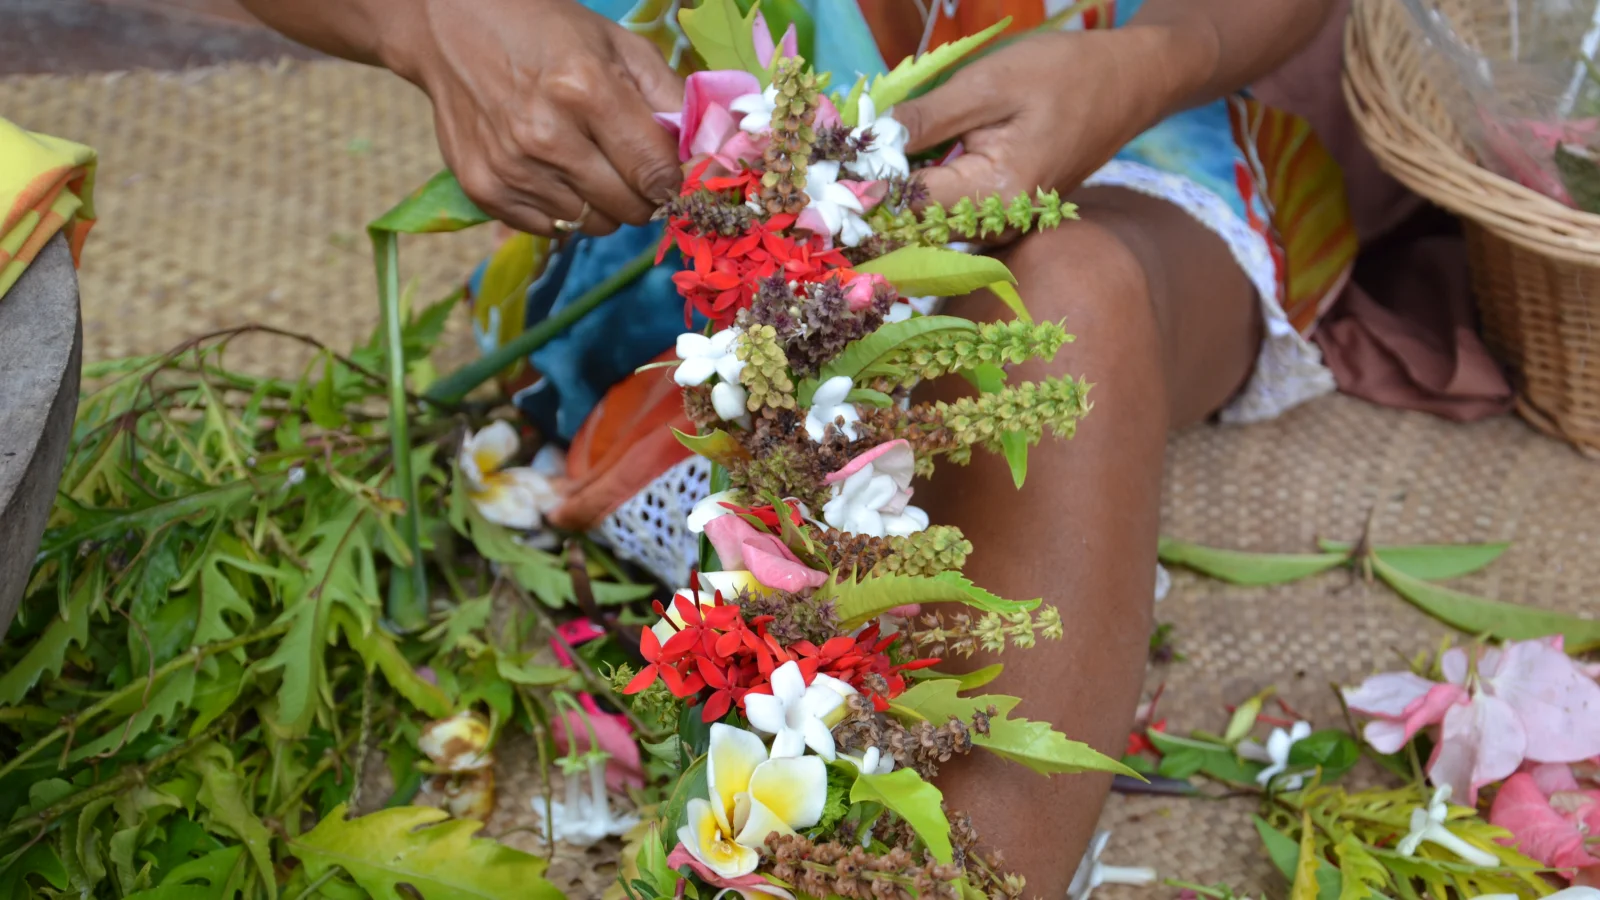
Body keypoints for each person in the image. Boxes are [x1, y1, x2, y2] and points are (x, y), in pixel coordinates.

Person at [240, 0, 1353, 892]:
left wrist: (1159, 56)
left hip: (1103, 105)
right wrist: (436, 21)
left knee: (1066, 293)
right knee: (785, 393)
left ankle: (959, 870)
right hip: (653, 150)